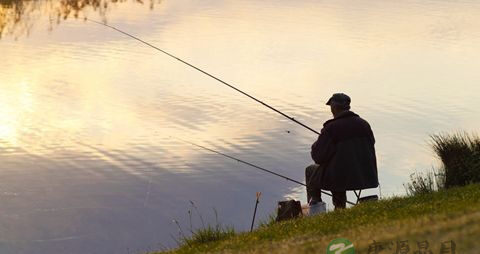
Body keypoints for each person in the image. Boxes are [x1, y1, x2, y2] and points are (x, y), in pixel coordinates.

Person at [306, 93, 378, 209]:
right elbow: (371, 144)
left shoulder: (331, 128)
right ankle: (339, 208)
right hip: (364, 174)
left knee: (311, 170)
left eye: (331, 107)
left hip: (341, 177)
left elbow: (318, 157)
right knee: (339, 168)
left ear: (334, 107)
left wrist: (316, 144)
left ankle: (317, 209)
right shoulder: (364, 124)